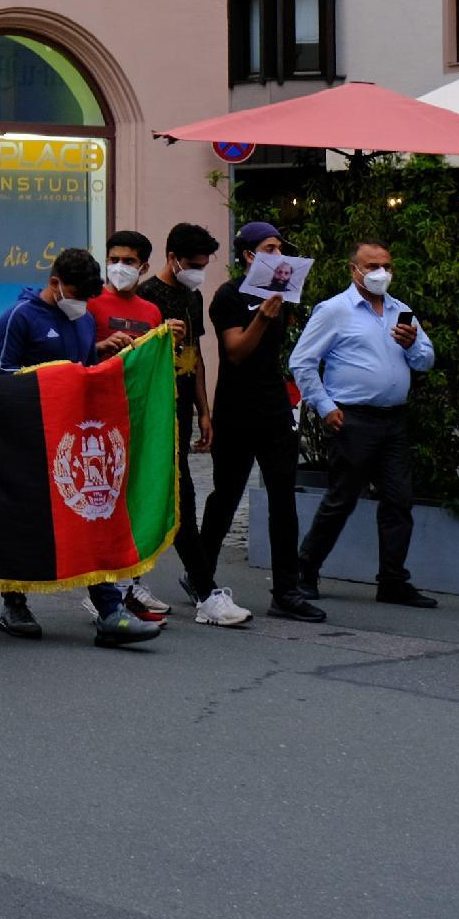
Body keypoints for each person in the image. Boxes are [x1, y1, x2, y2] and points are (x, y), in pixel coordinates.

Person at [0, 246, 157, 648]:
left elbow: (85, 368)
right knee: (27, 522)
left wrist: (106, 358)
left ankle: (111, 609)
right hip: (30, 437)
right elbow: (2, 374)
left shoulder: (81, 319)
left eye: (87, 298)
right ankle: (15, 603)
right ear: (55, 284)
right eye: (77, 295)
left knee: (91, 514)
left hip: (75, 437)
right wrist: (60, 377)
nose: (82, 305)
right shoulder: (19, 317)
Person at [176, 221, 319, 627]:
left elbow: (278, 345)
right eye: (270, 248)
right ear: (250, 255)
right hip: (237, 408)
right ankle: (200, 572)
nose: (278, 255)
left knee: (282, 495)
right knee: (226, 494)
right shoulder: (227, 296)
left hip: (274, 405)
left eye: (281, 247)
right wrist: (262, 317)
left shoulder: (283, 293)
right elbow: (236, 351)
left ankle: (286, 590)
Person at [289, 241, 438, 609]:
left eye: (386, 266)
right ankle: (304, 571)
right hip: (352, 418)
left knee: (399, 501)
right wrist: (325, 407)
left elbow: (425, 362)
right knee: (341, 499)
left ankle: (392, 580)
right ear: (353, 269)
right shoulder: (334, 310)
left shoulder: (401, 311)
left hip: (393, 420)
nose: (380, 273)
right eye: (371, 266)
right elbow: (302, 362)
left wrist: (414, 343)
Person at [140, 222, 238, 625]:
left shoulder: (193, 296)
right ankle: (202, 589)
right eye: (193, 264)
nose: (199, 271)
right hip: (152, 408)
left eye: (203, 264)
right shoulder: (147, 297)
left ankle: (194, 585)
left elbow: (195, 357)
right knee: (177, 495)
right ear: (172, 258)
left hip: (181, 406)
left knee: (179, 495)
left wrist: (203, 409)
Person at [92, 233, 172, 628]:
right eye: (113, 258)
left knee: (134, 499)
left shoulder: (151, 311)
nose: (119, 266)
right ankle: (103, 591)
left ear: (143, 267)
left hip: (138, 416)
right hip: (99, 419)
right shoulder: (90, 303)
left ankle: (128, 585)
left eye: (128, 260)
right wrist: (103, 345)